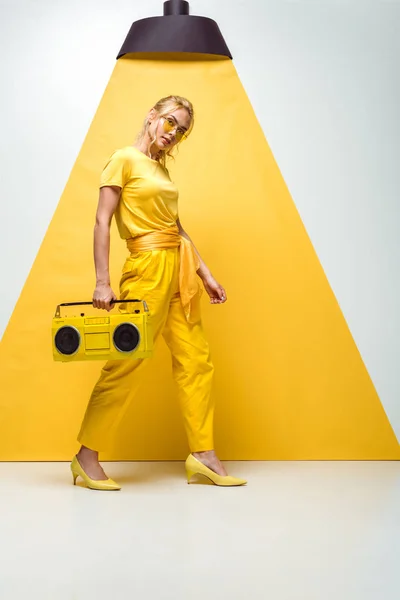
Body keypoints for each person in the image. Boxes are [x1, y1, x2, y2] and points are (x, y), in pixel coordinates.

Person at [70, 95, 247, 490]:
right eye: (170, 122)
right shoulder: (123, 159)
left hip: (178, 268)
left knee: (196, 360)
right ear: (152, 115)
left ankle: (203, 454)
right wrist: (102, 281)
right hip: (147, 268)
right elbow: (102, 222)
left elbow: (178, 229)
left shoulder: (162, 171)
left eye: (181, 129)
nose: (173, 133)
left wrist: (206, 273)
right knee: (127, 361)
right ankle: (86, 456)